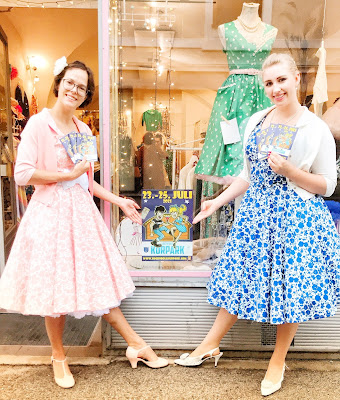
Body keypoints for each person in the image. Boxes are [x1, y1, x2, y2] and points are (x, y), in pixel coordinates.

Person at [174, 53, 340, 397]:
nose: (275, 88)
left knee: (288, 289)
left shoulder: (315, 128)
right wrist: (216, 201)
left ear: (296, 79)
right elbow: (248, 176)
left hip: (296, 219)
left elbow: (328, 185)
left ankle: (278, 360)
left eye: (281, 80)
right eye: (268, 83)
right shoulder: (257, 121)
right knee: (239, 278)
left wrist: (290, 172)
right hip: (256, 215)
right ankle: (210, 344)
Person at [0, 58, 168, 389]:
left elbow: (87, 183)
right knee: (55, 290)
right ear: (58, 83)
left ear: (85, 94)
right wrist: (65, 174)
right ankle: (59, 356)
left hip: (81, 214)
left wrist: (118, 200)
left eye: (81, 87)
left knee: (98, 282)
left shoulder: (84, 130)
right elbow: (22, 174)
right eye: (70, 82)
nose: (75, 90)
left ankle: (135, 344)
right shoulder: (37, 124)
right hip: (50, 216)